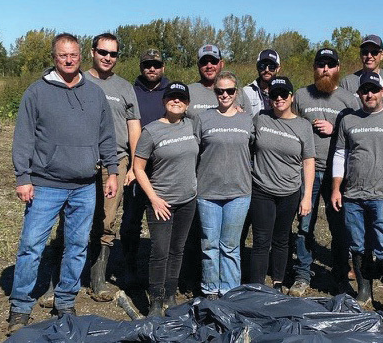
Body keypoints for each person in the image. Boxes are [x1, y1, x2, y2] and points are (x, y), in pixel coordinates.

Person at [7, 33, 118, 335]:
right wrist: (23, 178)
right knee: (31, 246)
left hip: (84, 186)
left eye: (73, 55)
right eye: (62, 56)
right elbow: (24, 137)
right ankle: (20, 307)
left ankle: (66, 299)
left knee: (77, 245)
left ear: (81, 55)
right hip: (45, 185)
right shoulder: (37, 92)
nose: (68, 60)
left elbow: (107, 136)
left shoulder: (94, 94)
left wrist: (112, 172)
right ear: (54, 57)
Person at [330, 71, 383, 317]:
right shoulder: (349, 120)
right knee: (357, 244)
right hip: (353, 193)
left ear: (382, 92)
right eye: (364, 90)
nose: (369, 94)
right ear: (359, 94)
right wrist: (337, 188)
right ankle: (364, 290)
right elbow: (340, 155)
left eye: (373, 90)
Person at [289, 48, 359, 296]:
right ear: (314, 68)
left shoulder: (350, 101)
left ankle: (341, 275)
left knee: (339, 226)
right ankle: (302, 274)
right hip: (306, 171)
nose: (325, 69)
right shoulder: (300, 96)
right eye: (321, 64)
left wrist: (335, 127)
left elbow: (357, 135)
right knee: (304, 224)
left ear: (338, 68)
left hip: (336, 174)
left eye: (330, 64)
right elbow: (290, 125)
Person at [133, 82, 199, 316]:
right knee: (160, 251)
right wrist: (154, 199)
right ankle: (156, 301)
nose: (176, 101)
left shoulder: (192, 125)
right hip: (161, 202)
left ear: (187, 103)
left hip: (187, 200)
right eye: (171, 97)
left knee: (177, 249)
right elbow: (138, 168)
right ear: (164, 101)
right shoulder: (151, 131)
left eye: (181, 98)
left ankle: (171, 294)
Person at [84, 33, 142, 301]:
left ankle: (98, 279)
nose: (107, 58)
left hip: (116, 163)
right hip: (82, 161)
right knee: (75, 220)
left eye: (113, 54)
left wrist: (134, 165)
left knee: (107, 220)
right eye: (103, 52)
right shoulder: (79, 81)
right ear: (92, 52)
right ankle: (65, 276)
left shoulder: (124, 87)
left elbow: (133, 127)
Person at [250, 76, 315, 292]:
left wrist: (306, 197)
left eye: (283, 94)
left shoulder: (303, 125)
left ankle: (278, 282)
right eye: (274, 95)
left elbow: (308, 162)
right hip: (262, 189)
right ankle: (257, 285)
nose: (278, 99)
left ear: (291, 97)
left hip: (290, 191)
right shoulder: (260, 118)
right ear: (269, 98)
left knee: (281, 238)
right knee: (261, 239)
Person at [194, 72, 254, 298]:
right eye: (220, 91)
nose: (225, 95)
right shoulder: (203, 119)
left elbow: (257, 149)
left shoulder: (247, 119)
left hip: (239, 193)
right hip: (208, 192)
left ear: (236, 93)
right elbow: (194, 151)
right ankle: (210, 290)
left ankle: (230, 292)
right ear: (214, 92)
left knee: (230, 246)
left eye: (229, 91)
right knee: (209, 245)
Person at [121, 49, 170, 287]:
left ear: (163, 67)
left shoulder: (172, 91)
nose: (152, 69)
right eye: (147, 65)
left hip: (165, 167)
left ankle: (167, 270)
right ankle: (129, 267)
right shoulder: (131, 91)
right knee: (131, 220)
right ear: (141, 67)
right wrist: (131, 165)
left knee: (167, 218)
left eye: (156, 65)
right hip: (137, 166)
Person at [339, 35, 383, 110]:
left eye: (374, 52)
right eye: (365, 52)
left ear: (382, 55)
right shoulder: (347, 82)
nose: (369, 56)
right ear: (360, 55)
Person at [186, 44, 252, 119]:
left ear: (222, 64)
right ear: (198, 65)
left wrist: (240, 115)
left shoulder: (237, 91)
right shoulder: (188, 91)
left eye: (213, 61)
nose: (209, 66)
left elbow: (249, 123)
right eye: (204, 62)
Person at [244, 49, 281, 116]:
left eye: (271, 67)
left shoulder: (284, 93)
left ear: (278, 69)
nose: (267, 70)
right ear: (257, 67)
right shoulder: (246, 92)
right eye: (262, 66)